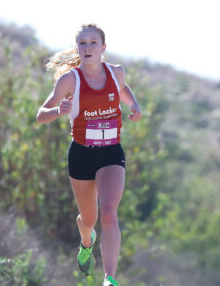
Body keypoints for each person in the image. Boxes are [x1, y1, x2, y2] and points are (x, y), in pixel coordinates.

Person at [36, 23, 141, 286]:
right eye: (82, 43)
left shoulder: (116, 73)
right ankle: (86, 242)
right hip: (82, 155)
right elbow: (40, 115)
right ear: (78, 49)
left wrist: (135, 104)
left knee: (108, 214)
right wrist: (58, 111)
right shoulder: (70, 80)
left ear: (103, 48)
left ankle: (109, 279)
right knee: (89, 219)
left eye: (93, 43)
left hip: (110, 154)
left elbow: (123, 89)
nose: (87, 48)